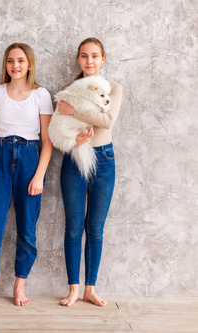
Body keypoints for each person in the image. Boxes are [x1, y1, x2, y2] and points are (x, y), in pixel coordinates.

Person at [0, 43, 53, 309]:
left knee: (27, 230)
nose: (15, 66)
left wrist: (39, 175)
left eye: (20, 60)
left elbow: (48, 141)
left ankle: (20, 286)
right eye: (10, 61)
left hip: (30, 158)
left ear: (29, 64)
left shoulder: (41, 95)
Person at [58, 38, 123, 307]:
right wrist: (75, 134)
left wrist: (76, 111)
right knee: (74, 227)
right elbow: (60, 130)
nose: (89, 61)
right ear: (78, 60)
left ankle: (90, 288)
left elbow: (107, 120)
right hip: (74, 159)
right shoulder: (68, 90)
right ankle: (74, 288)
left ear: (103, 59)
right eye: (84, 56)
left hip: (104, 159)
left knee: (95, 228)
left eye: (95, 56)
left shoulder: (114, 88)